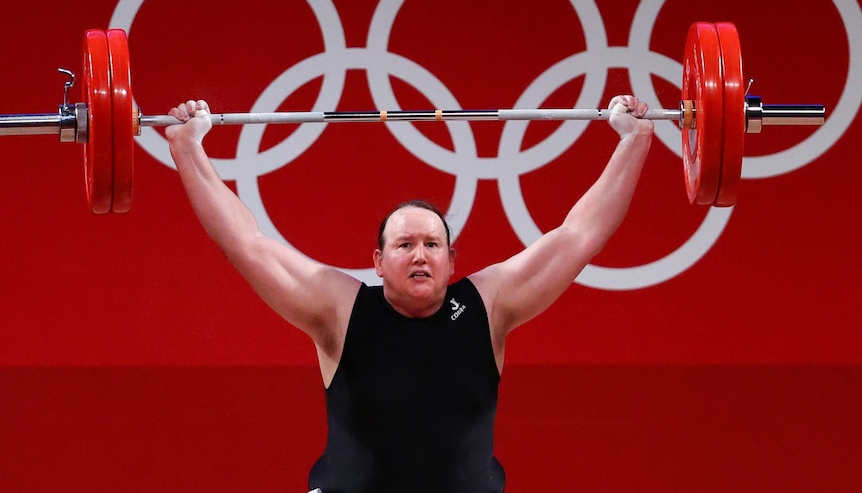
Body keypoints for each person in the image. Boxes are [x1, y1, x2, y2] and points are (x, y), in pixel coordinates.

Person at [166, 95, 653, 493]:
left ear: (451, 261)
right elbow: (246, 245)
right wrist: (188, 148)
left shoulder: (490, 305)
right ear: (378, 262)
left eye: (431, 245)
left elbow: (578, 237)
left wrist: (635, 141)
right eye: (404, 245)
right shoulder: (339, 311)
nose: (420, 256)